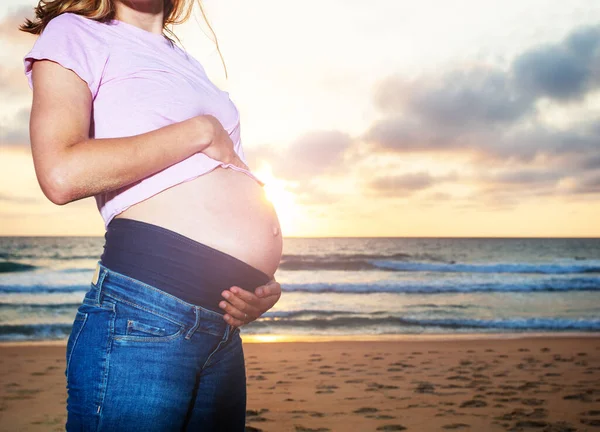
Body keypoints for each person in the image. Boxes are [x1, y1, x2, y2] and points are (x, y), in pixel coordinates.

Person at [20, 0, 283, 430]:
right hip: (144, 313)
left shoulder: (185, 62)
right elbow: (61, 173)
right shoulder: (75, 33)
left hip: (222, 327)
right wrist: (198, 131)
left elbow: (228, 175)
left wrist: (260, 280)